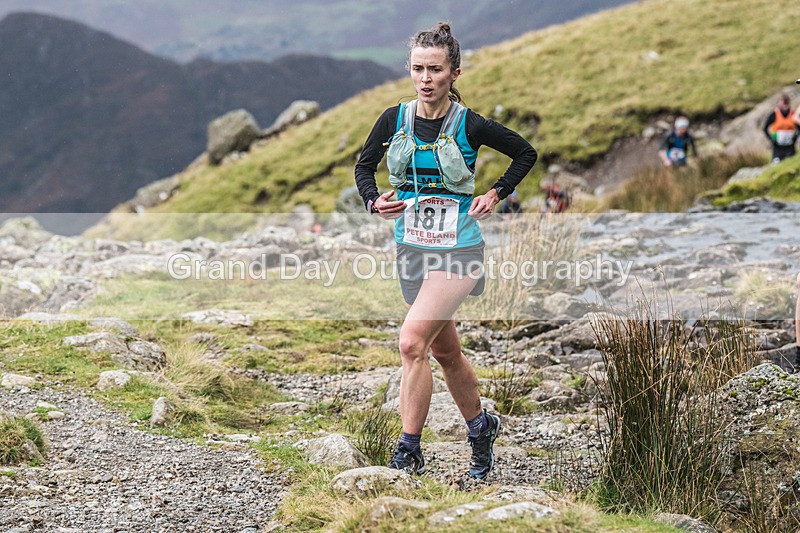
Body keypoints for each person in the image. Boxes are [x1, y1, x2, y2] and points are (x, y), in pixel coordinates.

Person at [354, 22, 537, 480]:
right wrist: (374, 200)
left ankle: (408, 450)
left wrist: (496, 193)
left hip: (459, 251)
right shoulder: (392, 119)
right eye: (417, 69)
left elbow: (525, 153)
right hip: (411, 250)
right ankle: (481, 429)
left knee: (411, 342)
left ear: (454, 72)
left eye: (435, 69)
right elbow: (364, 166)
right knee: (446, 353)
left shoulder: (470, 124)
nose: (425, 78)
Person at [763, 94, 798, 163]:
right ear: (779, 103)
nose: (785, 105)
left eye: (787, 103)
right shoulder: (774, 114)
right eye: (783, 103)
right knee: (777, 163)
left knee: (790, 164)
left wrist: (795, 138)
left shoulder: (794, 114)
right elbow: (765, 128)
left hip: (790, 147)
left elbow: (799, 128)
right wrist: (772, 139)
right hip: (777, 147)